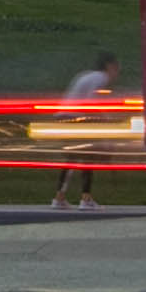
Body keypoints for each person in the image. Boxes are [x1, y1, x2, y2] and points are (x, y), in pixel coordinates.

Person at [50, 51, 120, 208]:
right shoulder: (101, 77)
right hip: (74, 118)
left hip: (65, 116)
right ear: (109, 66)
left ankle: (60, 197)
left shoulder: (87, 75)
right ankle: (85, 199)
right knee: (88, 156)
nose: (117, 72)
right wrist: (105, 118)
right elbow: (90, 101)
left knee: (73, 158)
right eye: (116, 67)